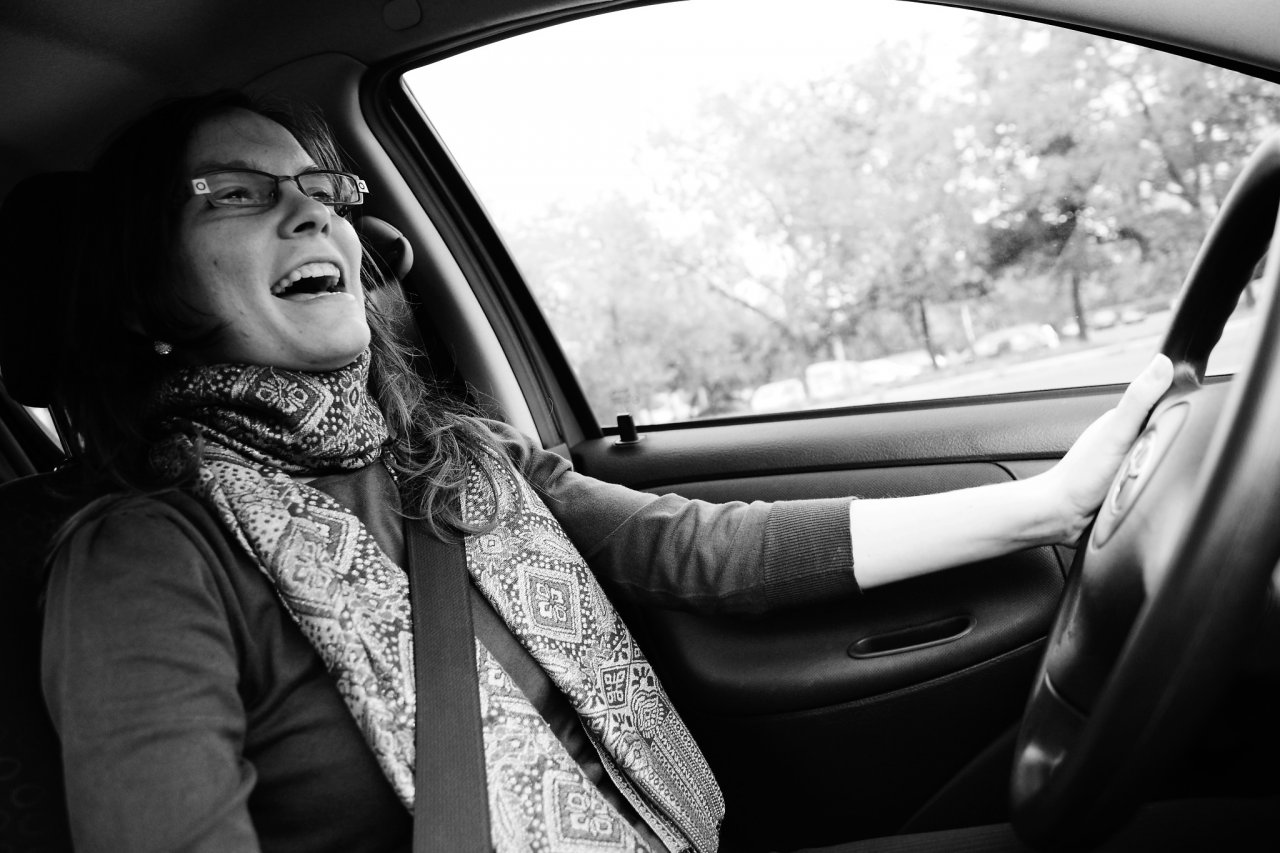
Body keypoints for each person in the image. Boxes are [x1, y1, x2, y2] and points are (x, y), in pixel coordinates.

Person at [38, 90, 1172, 853]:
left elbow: (698, 549)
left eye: (324, 191)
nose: (308, 213)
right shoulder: (145, 561)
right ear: (146, 295)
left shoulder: (457, 458)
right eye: (237, 193)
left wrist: (1046, 504)